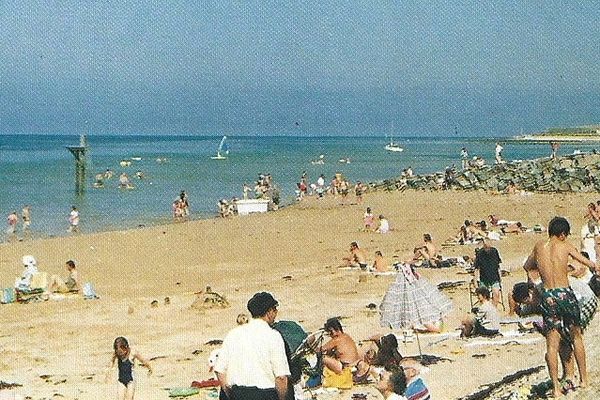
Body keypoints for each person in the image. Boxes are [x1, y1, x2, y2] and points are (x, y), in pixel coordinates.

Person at [522, 216, 597, 397]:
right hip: (565, 293)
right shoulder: (565, 246)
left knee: (552, 344)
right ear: (562, 233)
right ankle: (584, 380)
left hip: (548, 296)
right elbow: (589, 264)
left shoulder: (539, 247)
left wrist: (535, 280)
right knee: (576, 337)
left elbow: (527, 266)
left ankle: (556, 389)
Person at [215, 292, 290, 400]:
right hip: (264, 395)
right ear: (269, 312)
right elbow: (281, 377)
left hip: (237, 393)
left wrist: (229, 394)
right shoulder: (273, 336)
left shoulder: (234, 333)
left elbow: (220, 370)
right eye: (275, 309)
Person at [473, 239, 503, 307]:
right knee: (483, 296)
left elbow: (498, 265)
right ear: (483, 246)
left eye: (488, 247)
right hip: (484, 279)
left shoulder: (495, 251)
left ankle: (494, 309)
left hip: (494, 277)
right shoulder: (480, 253)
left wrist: (500, 277)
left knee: (496, 293)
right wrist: (475, 280)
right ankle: (486, 309)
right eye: (486, 247)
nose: (487, 249)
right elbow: (477, 268)